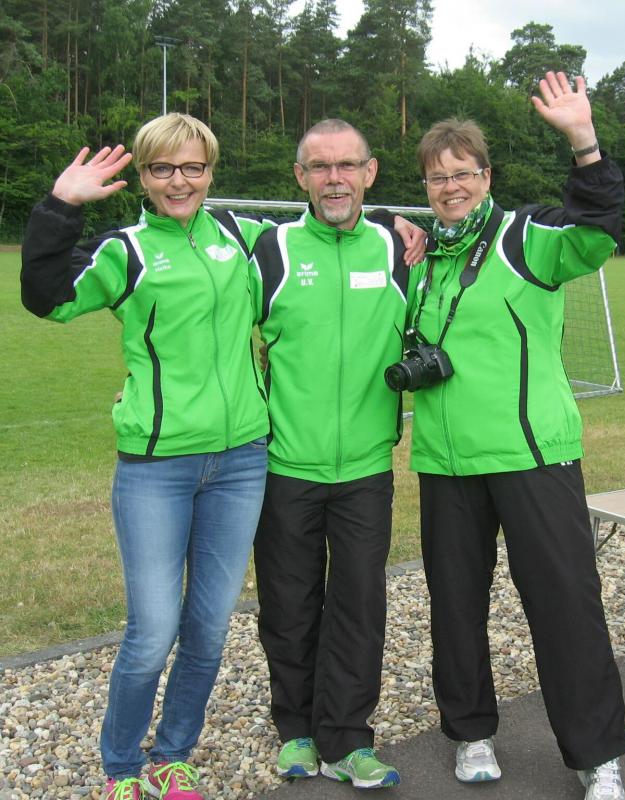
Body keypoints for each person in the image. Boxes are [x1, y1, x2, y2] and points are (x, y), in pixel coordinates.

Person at [21, 114, 279, 800]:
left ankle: (172, 758)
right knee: (153, 630)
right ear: (142, 176)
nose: (179, 181)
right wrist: (61, 205)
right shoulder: (125, 251)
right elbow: (46, 298)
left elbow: (321, 238)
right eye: (163, 168)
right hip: (156, 468)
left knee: (209, 627)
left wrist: (400, 230)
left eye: (193, 167)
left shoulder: (243, 236)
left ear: (211, 172)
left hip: (242, 462)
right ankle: (121, 769)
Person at [405, 72, 625, 799]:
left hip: (534, 456)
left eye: (462, 173)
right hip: (447, 462)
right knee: (455, 609)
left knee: (566, 608)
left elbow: (596, 230)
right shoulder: (419, 260)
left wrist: (583, 141)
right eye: (437, 177)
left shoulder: (526, 238)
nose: (450, 187)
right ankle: (470, 733)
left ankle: (597, 757)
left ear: (486, 176)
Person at [249, 119, 421, 789]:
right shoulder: (271, 250)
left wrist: (402, 224)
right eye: (320, 167)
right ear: (301, 177)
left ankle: (348, 739)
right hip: (286, 465)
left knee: (358, 607)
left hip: (367, 469)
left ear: (369, 172)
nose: (334, 179)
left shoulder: (399, 248)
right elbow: (220, 329)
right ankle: (295, 731)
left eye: (347, 165)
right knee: (289, 606)